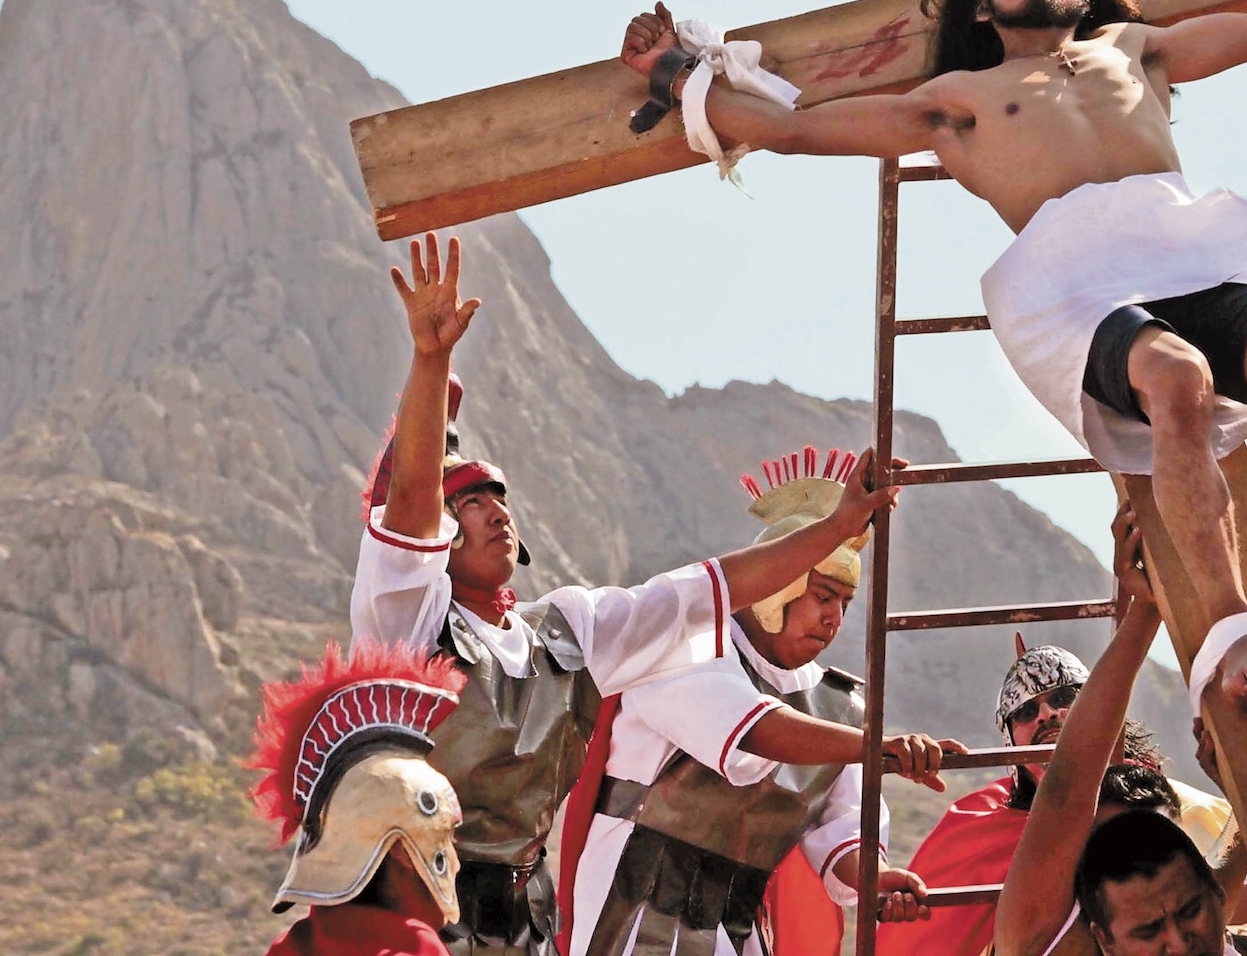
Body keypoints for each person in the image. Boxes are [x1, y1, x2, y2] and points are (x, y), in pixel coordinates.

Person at [621, 0, 1247, 705]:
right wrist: (675, 73)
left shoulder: (1136, 49)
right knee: (1179, 382)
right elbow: (793, 129)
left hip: (1190, 249)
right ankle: (1236, 629)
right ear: (984, 2)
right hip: (1084, 285)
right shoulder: (961, 98)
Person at [352, 231, 907, 954]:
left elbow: (711, 584)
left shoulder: (569, 630)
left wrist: (836, 525)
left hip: (523, 921)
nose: (493, 510)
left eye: (499, 498)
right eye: (467, 503)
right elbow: (409, 507)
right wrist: (432, 361)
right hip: (413, 915)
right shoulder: (404, 621)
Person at [559, 446, 967, 956]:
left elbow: (842, 829)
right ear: (781, 586)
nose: (833, 619)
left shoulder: (839, 708)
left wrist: (873, 879)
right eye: (822, 596)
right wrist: (881, 747)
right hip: (635, 904)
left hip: (739, 923)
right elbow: (755, 731)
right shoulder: (684, 644)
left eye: (845, 603)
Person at [879, 635, 1233, 956]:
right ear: (1010, 740)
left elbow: (1231, 891)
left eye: (1063, 699)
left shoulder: (1162, 803)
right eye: (1026, 712)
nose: (1046, 714)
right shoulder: (980, 825)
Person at [991, 517, 1244, 956]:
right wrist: (1145, 611)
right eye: (1148, 932)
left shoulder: (1202, 906)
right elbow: (1069, 785)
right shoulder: (1047, 936)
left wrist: (1242, 788)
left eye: (1188, 914)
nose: (1178, 945)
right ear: (1103, 937)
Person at [249, 640, 469, 956]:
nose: (455, 858)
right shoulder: (415, 949)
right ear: (401, 852)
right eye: (446, 836)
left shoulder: (290, 947)